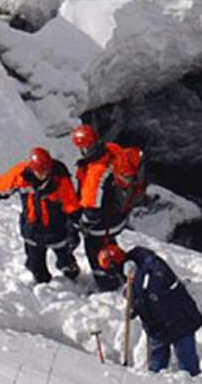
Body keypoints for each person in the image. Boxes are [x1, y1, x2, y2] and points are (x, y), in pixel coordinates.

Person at [0, 147, 81, 284]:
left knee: (67, 264)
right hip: (32, 231)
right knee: (37, 270)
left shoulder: (60, 178)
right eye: (40, 172)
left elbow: (71, 205)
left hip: (57, 230)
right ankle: (46, 290)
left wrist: (74, 230)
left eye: (47, 171)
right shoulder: (20, 175)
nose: (44, 175)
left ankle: (71, 275)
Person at [98, 244, 202, 376]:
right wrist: (135, 307)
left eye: (112, 269)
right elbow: (141, 296)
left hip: (178, 317)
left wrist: (141, 280)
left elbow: (160, 277)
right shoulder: (129, 280)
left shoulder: (147, 261)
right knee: (156, 368)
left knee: (188, 365)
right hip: (157, 326)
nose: (114, 274)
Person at [71, 124, 147, 291]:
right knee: (108, 246)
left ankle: (108, 284)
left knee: (95, 250)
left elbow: (92, 207)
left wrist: (82, 223)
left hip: (104, 222)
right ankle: (122, 269)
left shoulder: (97, 171)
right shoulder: (110, 151)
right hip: (117, 216)